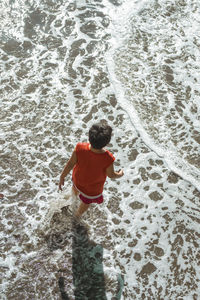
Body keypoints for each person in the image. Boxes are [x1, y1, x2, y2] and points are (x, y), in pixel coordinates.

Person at [58, 121, 124, 218]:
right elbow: (111, 175)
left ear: (89, 137)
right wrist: (120, 174)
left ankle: (73, 200)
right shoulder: (108, 158)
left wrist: (62, 176)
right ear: (107, 142)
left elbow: (70, 164)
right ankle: (77, 215)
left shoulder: (80, 147)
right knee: (86, 202)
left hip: (78, 180)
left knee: (75, 190)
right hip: (92, 189)